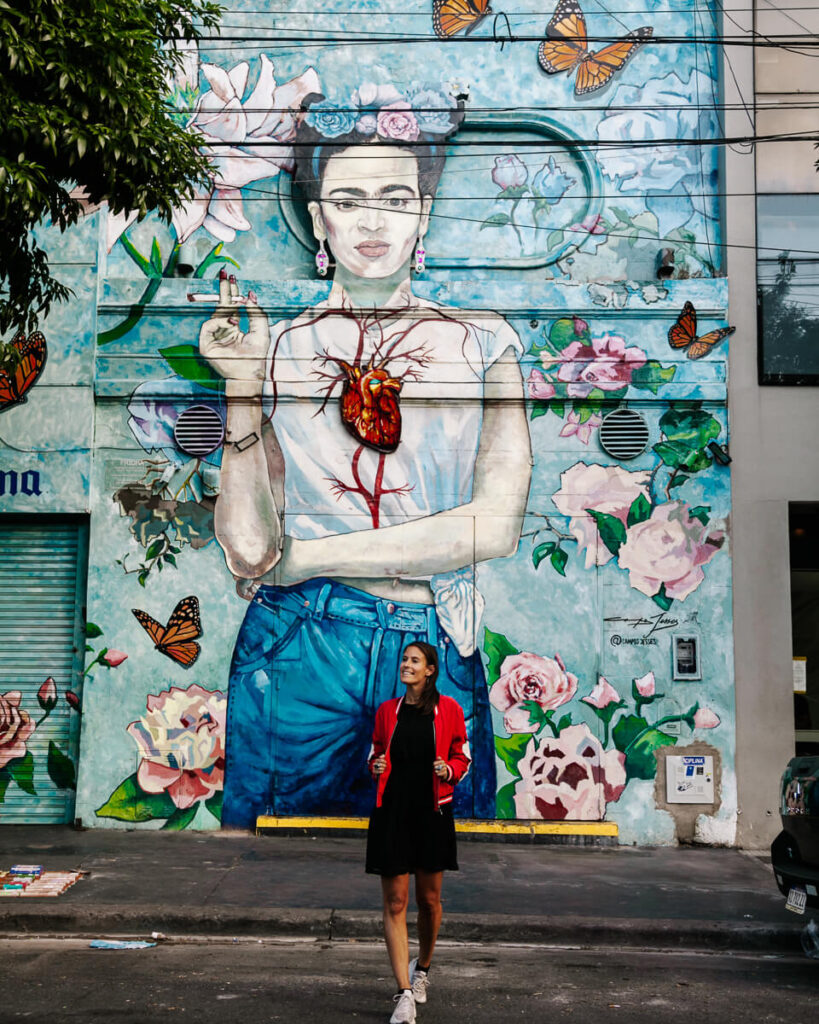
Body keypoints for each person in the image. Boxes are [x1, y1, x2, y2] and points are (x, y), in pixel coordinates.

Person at [198, 82, 532, 828]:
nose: (372, 219)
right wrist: (244, 390)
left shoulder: (485, 344)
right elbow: (251, 549)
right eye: (347, 200)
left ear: (424, 212)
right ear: (318, 217)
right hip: (298, 643)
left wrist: (316, 555)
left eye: (394, 197)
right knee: (271, 859)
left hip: (428, 643)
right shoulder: (279, 348)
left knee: (434, 862)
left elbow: (493, 526)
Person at [367, 641, 468, 1024]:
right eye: (404, 659)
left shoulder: (450, 711)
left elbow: (463, 755)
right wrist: (374, 765)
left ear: (430, 670)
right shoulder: (386, 712)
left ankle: (421, 969)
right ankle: (404, 994)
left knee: (429, 902)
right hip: (391, 814)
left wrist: (449, 771)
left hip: (432, 814)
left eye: (414, 660)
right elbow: (375, 750)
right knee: (395, 903)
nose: (406, 664)